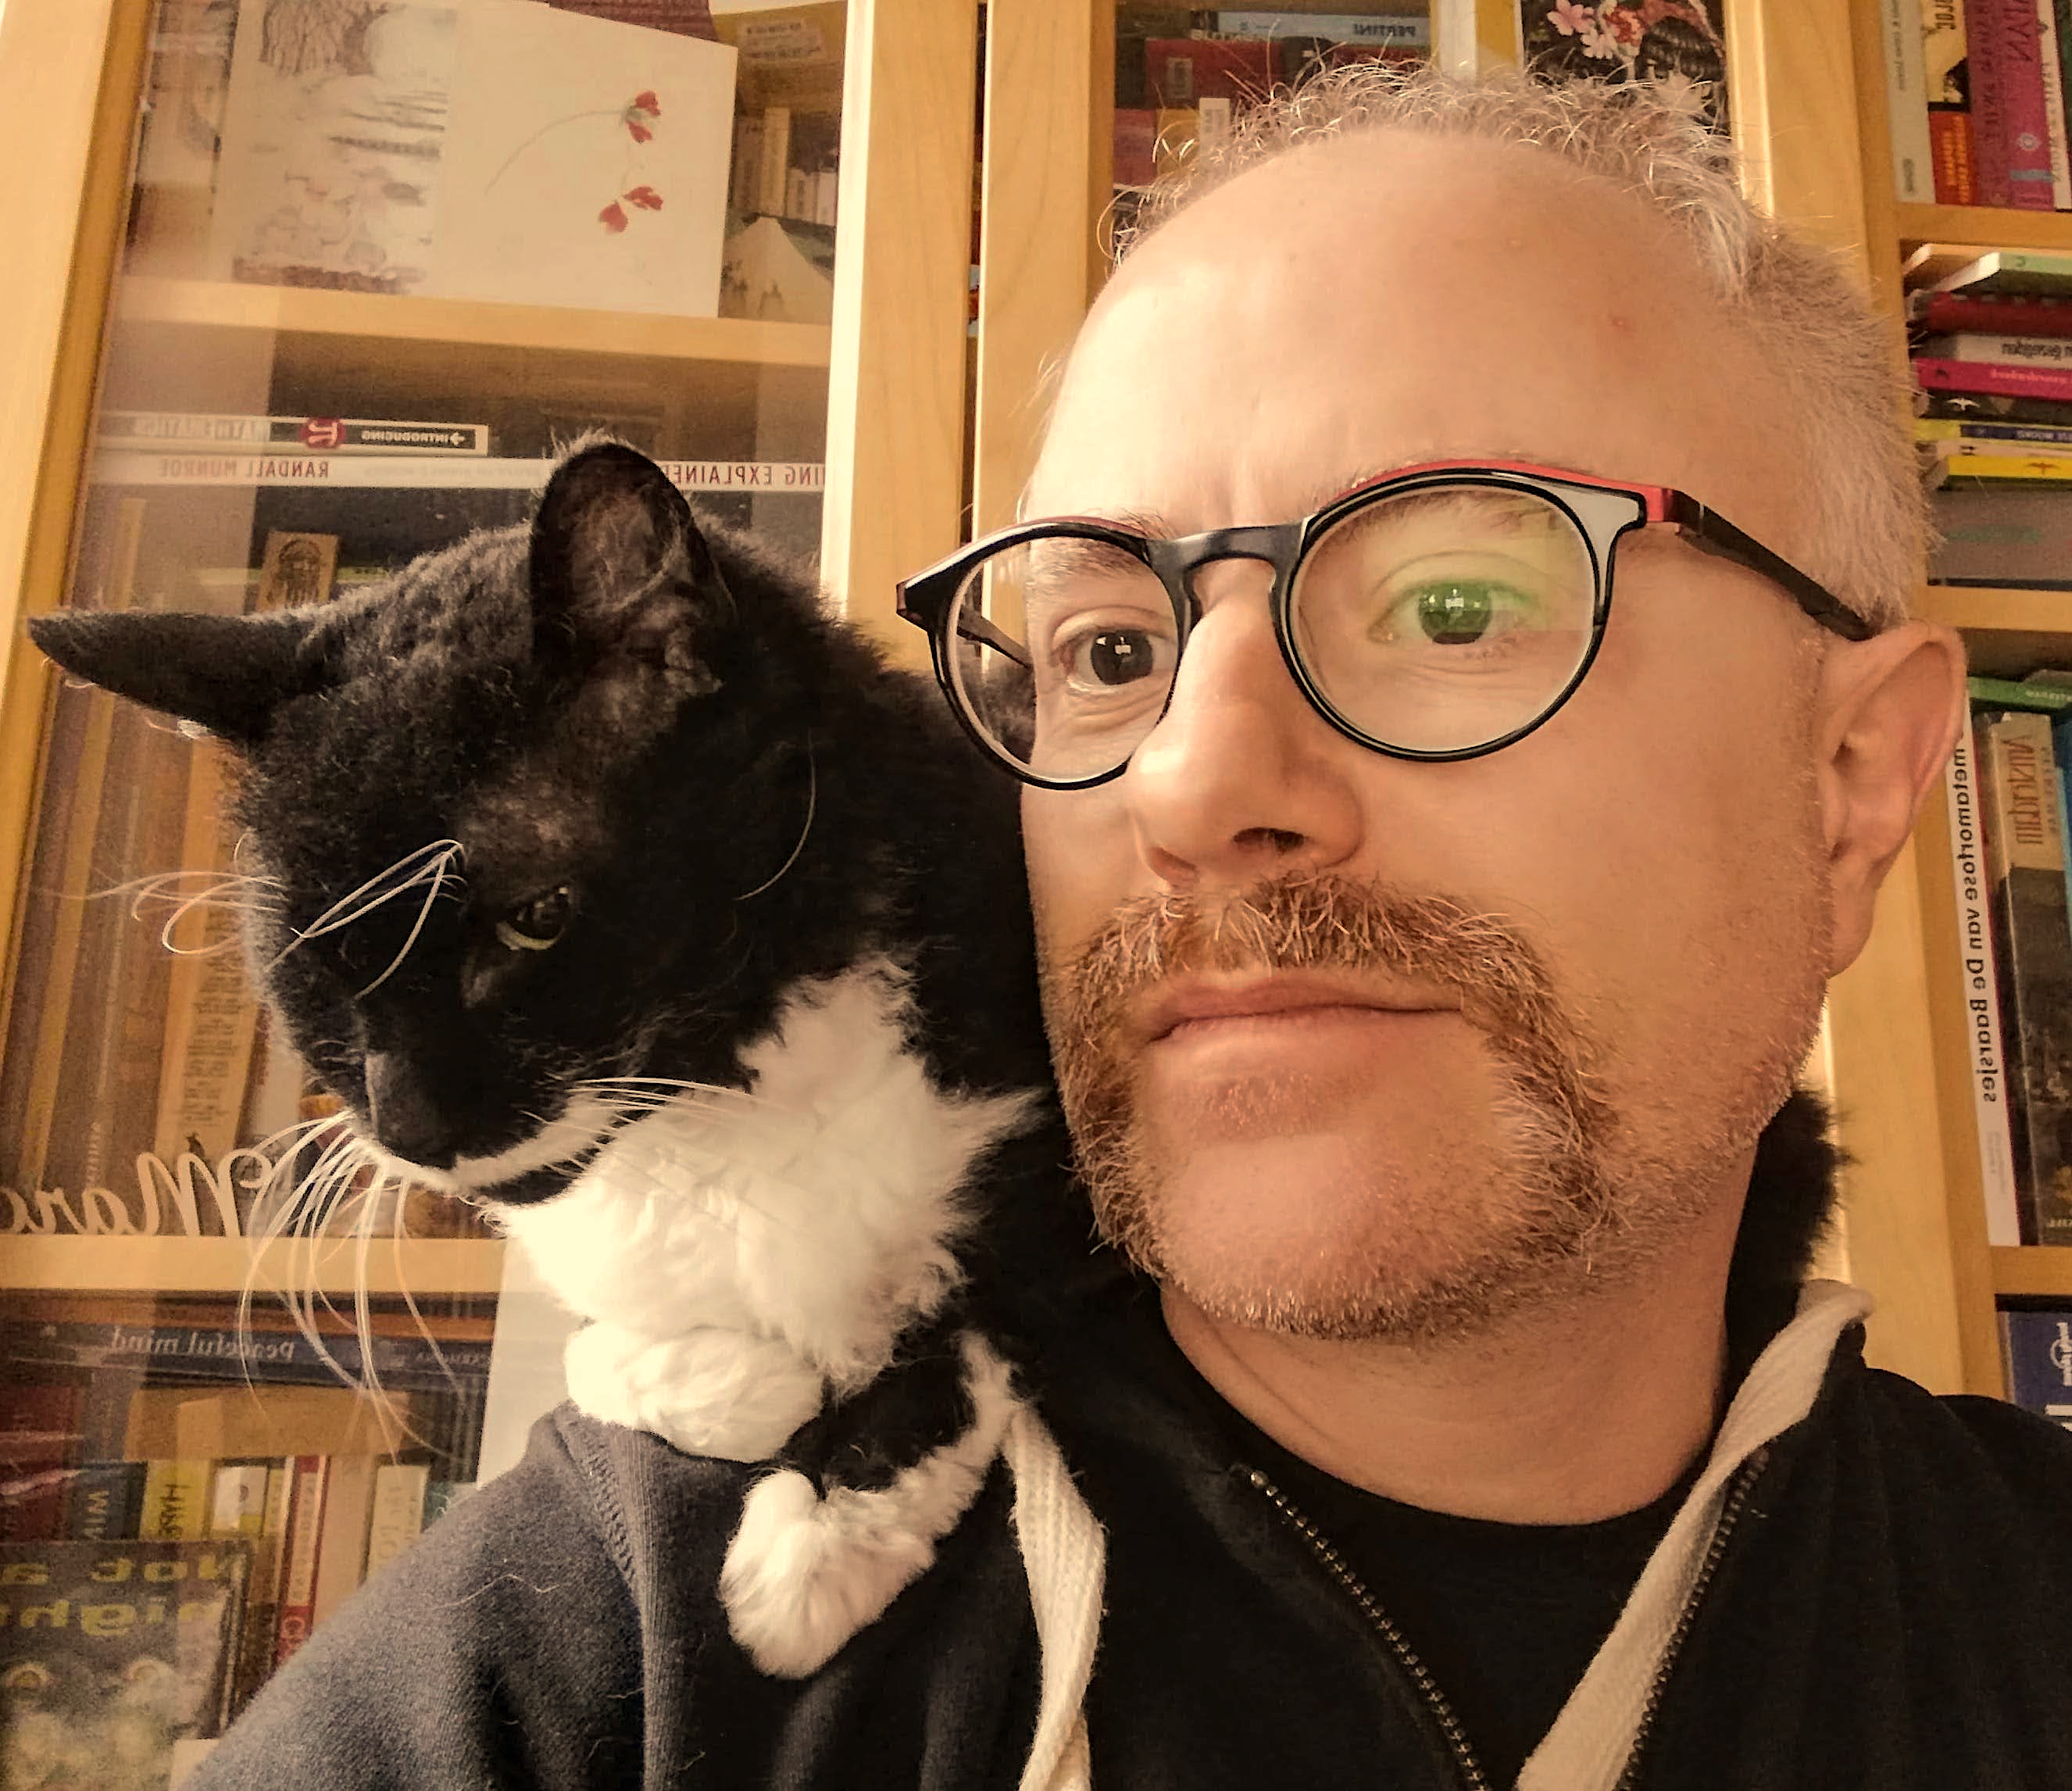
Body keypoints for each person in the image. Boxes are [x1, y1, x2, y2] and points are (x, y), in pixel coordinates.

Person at [190, 65, 2072, 1791]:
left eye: (1452, 605)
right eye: (1106, 650)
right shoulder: (609, 1656)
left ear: (1852, 783)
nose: (1189, 779)